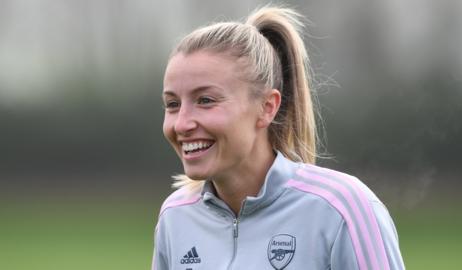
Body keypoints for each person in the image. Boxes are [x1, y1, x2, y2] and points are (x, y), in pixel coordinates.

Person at [152, 5, 405, 270]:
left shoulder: (341, 208)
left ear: (266, 107)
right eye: (172, 104)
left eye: (205, 100)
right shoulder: (175, 216)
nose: (181, 123)